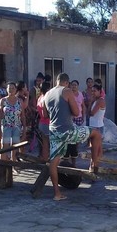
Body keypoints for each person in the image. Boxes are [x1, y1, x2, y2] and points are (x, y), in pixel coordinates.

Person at [43, 73, 102, 201]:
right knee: (96, 133)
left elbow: (45, 114)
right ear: (67, 82)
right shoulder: (67, 91)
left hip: (54, 131)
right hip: (68, 130)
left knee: (53, 161)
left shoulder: (47, 94)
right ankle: (93, 165)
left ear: (56, 81)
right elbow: (76, 113)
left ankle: (57, 194)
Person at [0, 82, 26, 162]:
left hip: (17, 126)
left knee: (15, 146)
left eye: (13, 88)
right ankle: (3, 164)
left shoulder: (20, 101)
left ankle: (14, 165)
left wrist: (24, 129)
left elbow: (23, 116)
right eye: (9, 88)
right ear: (6, 90)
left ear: (16, 90)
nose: (11, 90)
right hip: (6, 126)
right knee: (5, 146)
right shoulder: (3, 101)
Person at [64, 80, 86, 166]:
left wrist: (83, 116)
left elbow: (83, 105)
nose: (74, 86)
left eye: (75, 85)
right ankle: (68, 157)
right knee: (70, 138)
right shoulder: (69, 94)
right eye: (72, 85)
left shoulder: (80, 94)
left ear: (78, 86)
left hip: (79, 118)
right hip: (70, 118)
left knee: (77, 137)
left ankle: (74, 153)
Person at [89, 82, 106, 171]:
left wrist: (91, 102)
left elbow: (92, 113)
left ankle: (95, 167)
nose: (93, 93)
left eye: (94, 91)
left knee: (96, 150)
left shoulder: (100, 101)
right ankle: (93, 165)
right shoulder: (95, 100)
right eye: (92, 91)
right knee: (93, 149)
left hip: (97, 127)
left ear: (99, 91)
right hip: (93, 126)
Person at [36, 82, 52, 161]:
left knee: (44, 144)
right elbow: (46, 113)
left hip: (41, 122)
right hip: (48, 123)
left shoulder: (40, 98)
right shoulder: (47, 98)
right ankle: (49, 161)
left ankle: (45, 160)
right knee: (49, 144)